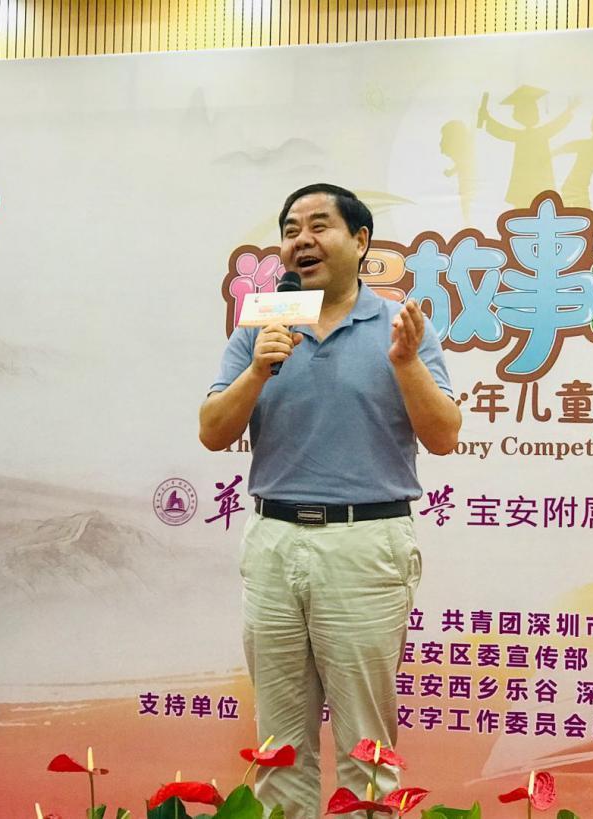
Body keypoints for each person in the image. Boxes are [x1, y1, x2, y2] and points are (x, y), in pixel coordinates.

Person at [199, 183, 462, 817]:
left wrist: (406, 363)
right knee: (278, 743)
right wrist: (257, 369)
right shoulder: (263, 324)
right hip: (274, 542)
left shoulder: (400, 327)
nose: (302, 241)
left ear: (360, 240)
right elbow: (212, 431)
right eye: (291, 230)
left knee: (365, 745)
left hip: (364, 544)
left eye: (320, 226)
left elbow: (444, 436)